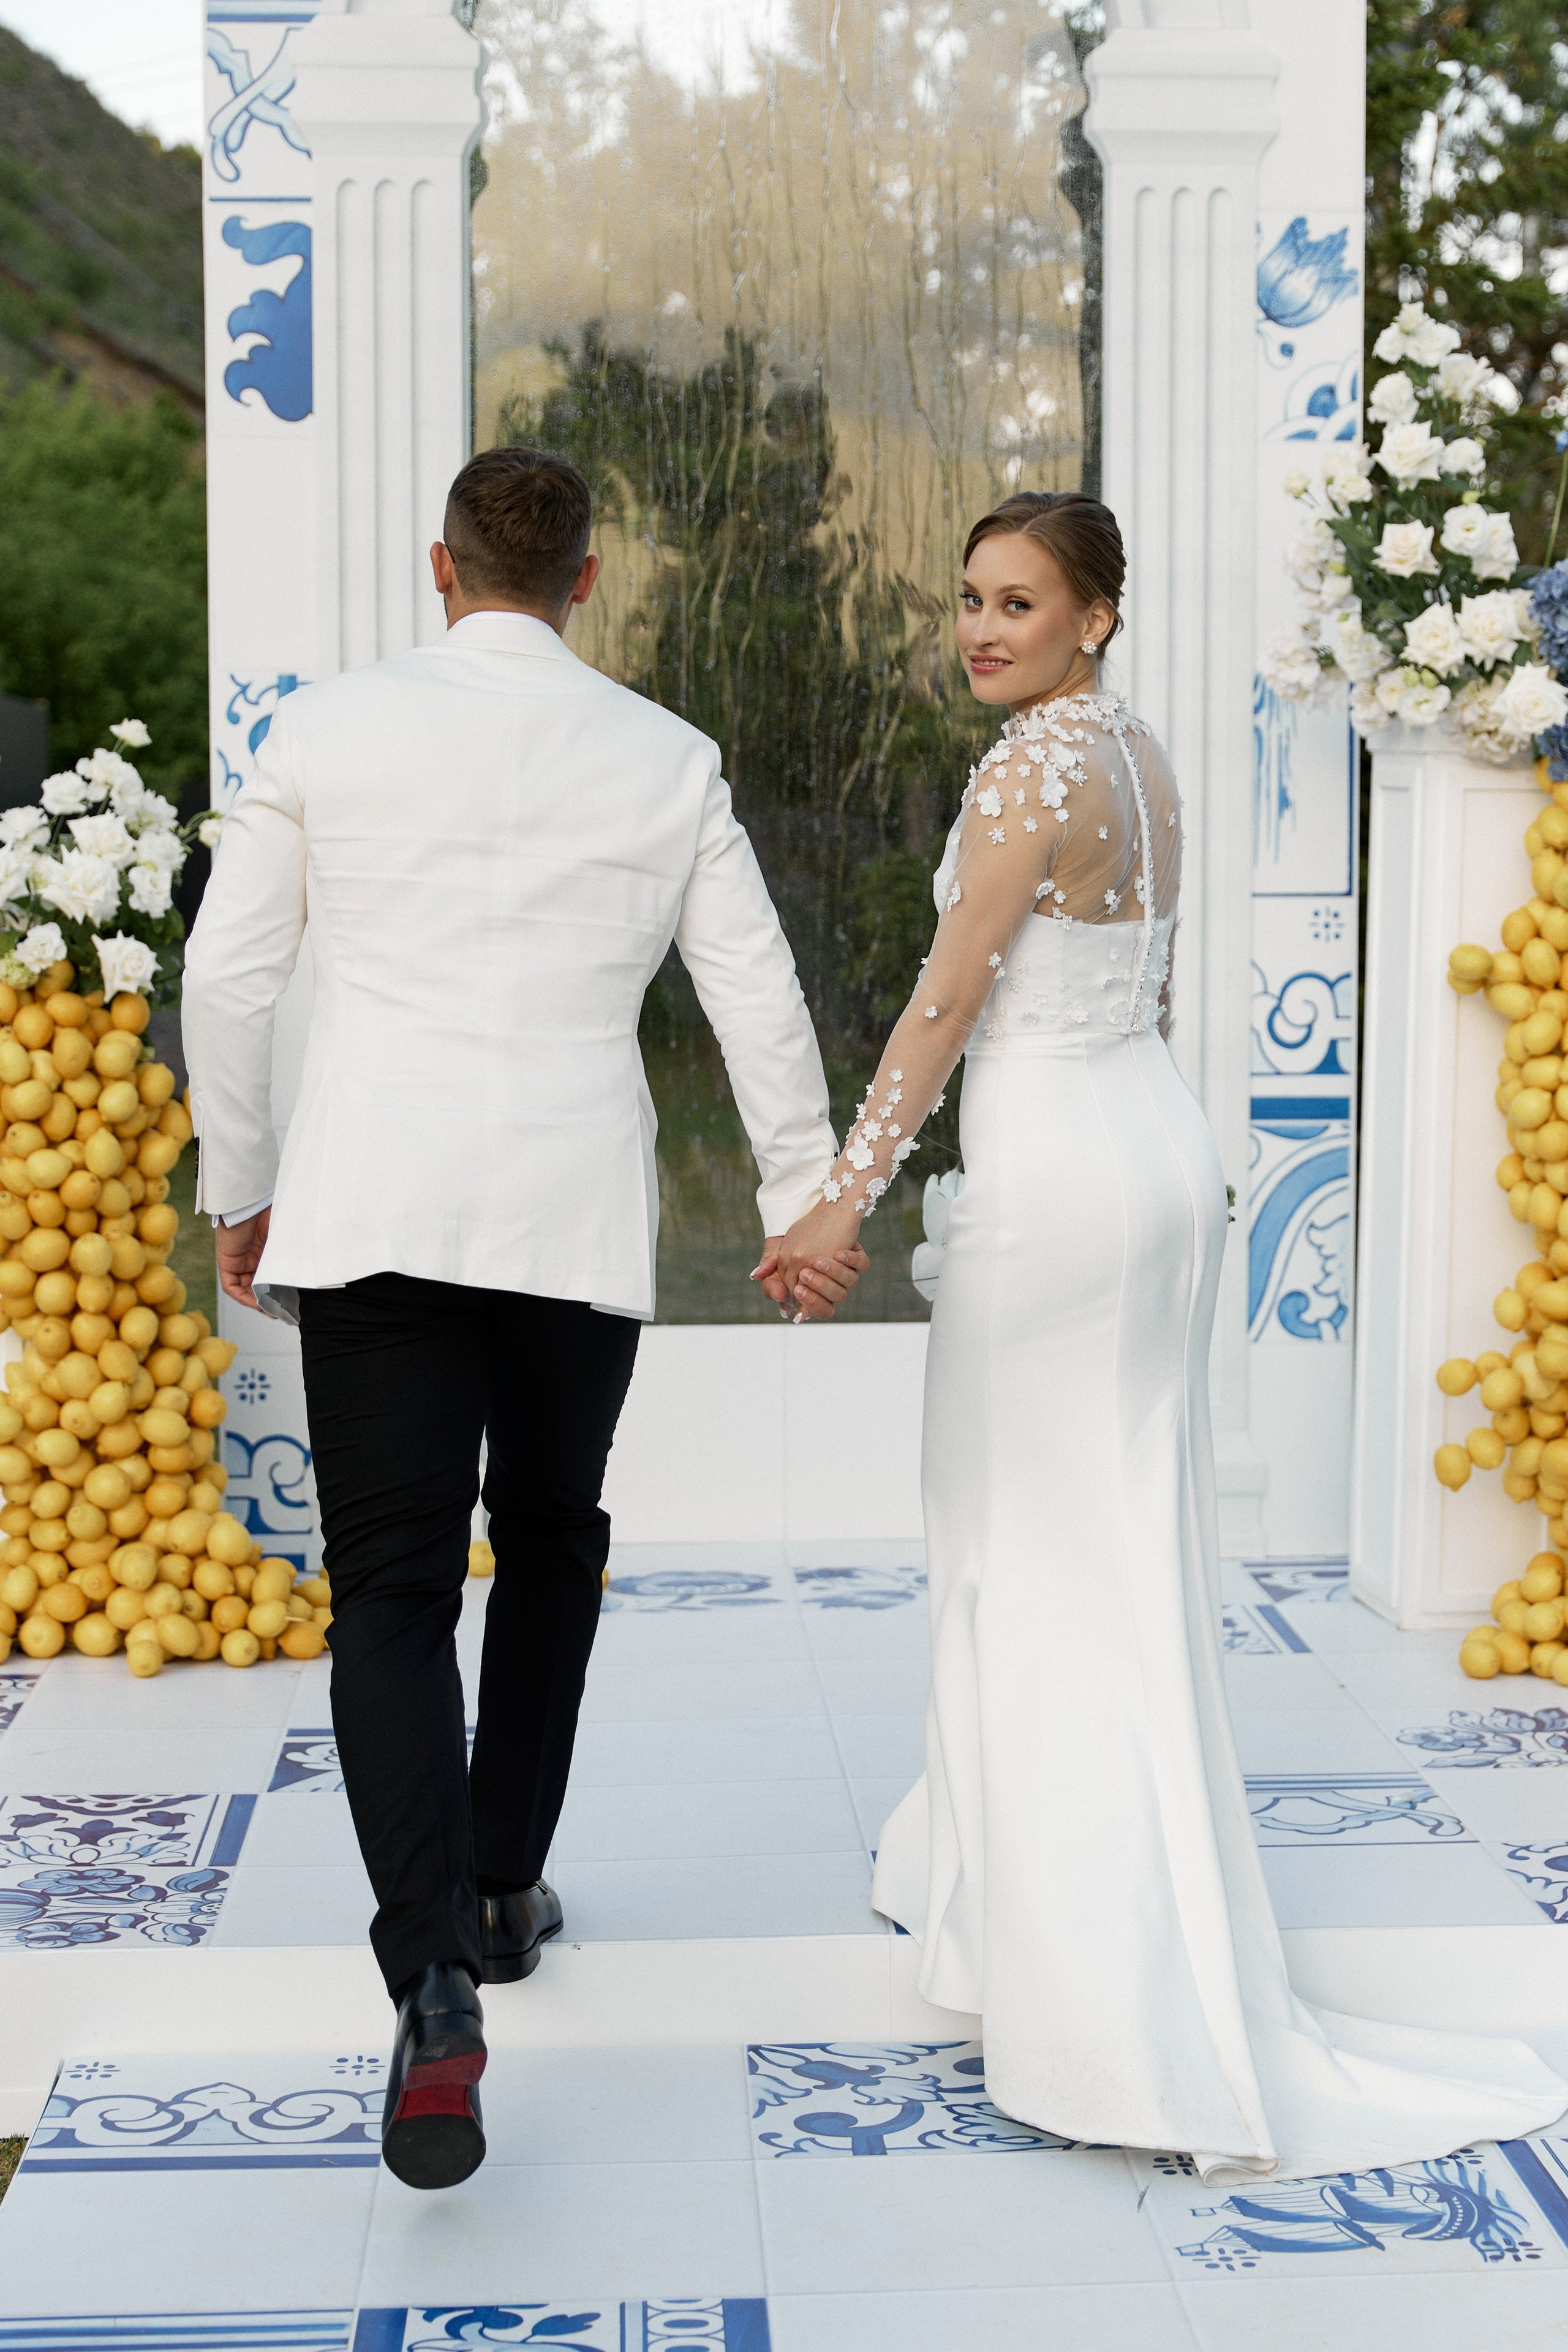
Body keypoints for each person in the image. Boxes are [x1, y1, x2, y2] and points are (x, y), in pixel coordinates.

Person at [767, 490, 1568, 2184]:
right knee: (1110, 1547)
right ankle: (992, 1891)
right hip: (1149, 1154)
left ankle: (1090, 2001)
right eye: (970, 597)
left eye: (1020, 602)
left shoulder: (1026, 773)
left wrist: (844, 1194)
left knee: (1023, 1548)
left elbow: (948, 992)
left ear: (1096, 616)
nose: (983, 628)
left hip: (1061, 1175)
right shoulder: (1143, 764)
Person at [182, 446, 863, 2192]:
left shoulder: (326, 730)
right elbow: (755, 988)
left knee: (394, 1593)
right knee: (551, 1536)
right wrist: (799, 1194)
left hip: (377, 1216)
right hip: (570, 1224)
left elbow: (232, 972)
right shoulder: (666, 755)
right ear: (581, 583)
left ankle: (428, 1985)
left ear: (440, 568)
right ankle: (498, 1885)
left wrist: (240, 1182)